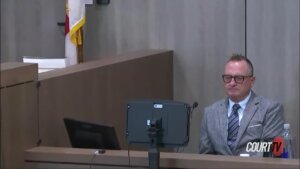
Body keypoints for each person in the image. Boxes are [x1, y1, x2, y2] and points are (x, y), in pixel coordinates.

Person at [199, 54, 284, 156]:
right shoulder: (210, 113)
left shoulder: (270, 108)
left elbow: (273, 148)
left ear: (252, 81)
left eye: (239, 78)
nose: (232, 83)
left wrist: (247, 152)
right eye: (228, 77)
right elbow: (206, 154)